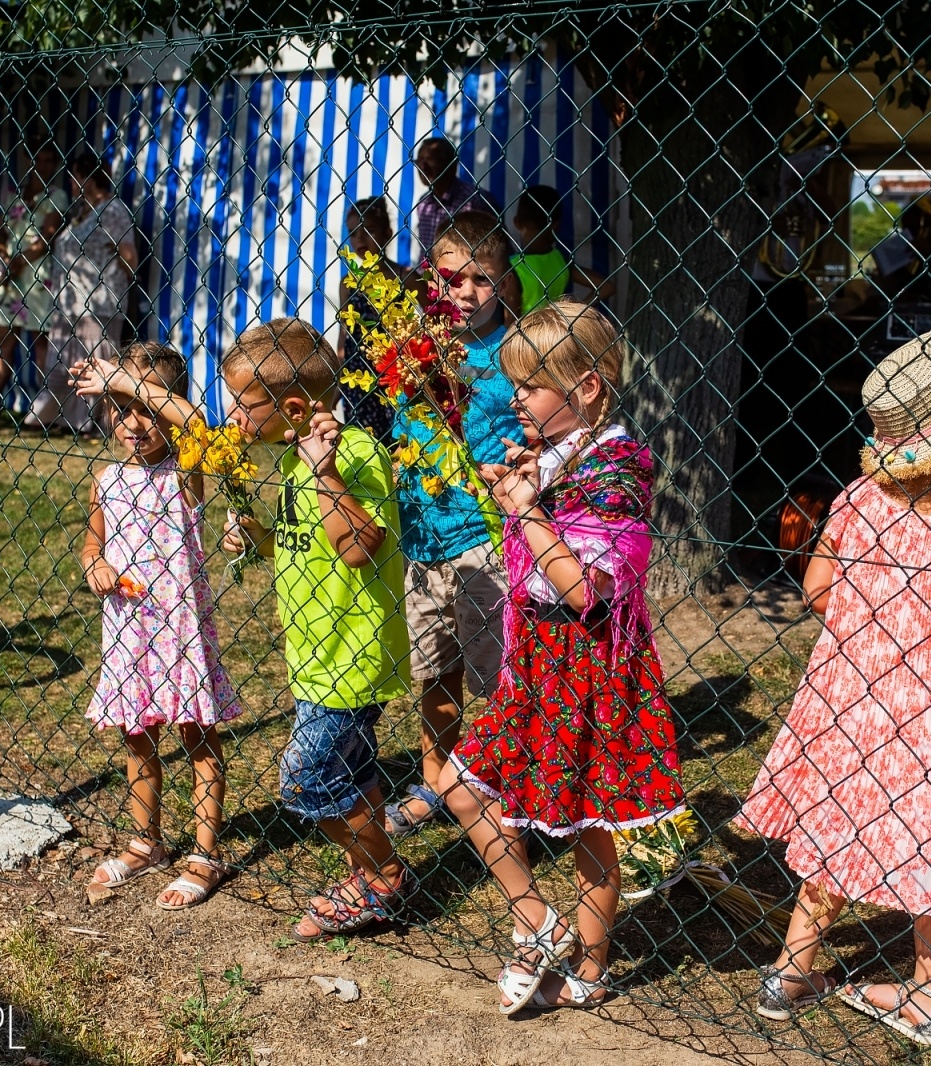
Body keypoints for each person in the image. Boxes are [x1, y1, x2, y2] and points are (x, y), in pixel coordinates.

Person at [736, 331, 931, 1046]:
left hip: (849, 696)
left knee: (835, 823)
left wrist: (864, 620)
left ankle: (789, 972)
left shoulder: (858, 500)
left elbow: (816, 588)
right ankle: (927, 994)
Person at [439, 299, 686, 1014]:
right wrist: (529, 488)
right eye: (513, 383)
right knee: (464, 783)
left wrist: (530, 511)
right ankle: (538, 922)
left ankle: (592, 966)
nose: (514, 397)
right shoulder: (556, 458)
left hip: (590, 661)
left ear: (585, 389)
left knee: (588, 821)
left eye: (530, 384)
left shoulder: (618, 468)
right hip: (539, 656)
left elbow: (588, 593)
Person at [216, 319, 414, 941]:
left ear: (295, 407)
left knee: (309, 776)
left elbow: (358, 546)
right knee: (352, 770)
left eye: (242, 410)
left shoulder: (351, 454)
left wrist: (327, 472)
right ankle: (369, 874)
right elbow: (310, 541)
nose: (234, 423)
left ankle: (385, 876)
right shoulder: (300, 463)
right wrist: (259, 537)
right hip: (314, 651)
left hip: (351, 652)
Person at [68, 342, 243, 911]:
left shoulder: (183, 471)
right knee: (137, 737)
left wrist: (122, 377)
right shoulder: (107, 479)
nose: (132, 423)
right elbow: (93, 537)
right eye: (119, 409)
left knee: (198, 737)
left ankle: (205, 852)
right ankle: (147, 841)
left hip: (181, 631)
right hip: (128, 631)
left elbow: (193, 421)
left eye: (143, 407)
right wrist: (94, 561)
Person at [382, 212, 524, 838]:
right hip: (422, 535)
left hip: (483, 539)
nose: (464, 293)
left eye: (480, 280)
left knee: (497, 678)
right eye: (451, 278)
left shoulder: (516, 354)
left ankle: (506, 786)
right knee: (435, 674)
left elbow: (534, 435)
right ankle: (436, 779)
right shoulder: (412, 344)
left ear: (503, 281)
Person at [27, 154, 138, 437]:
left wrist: (115, 287)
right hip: (68, 303)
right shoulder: (81, 212)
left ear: (88, 178)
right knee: (65, 361)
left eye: (76, 176)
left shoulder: (113, 210)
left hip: (98, 302)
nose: (73, 183)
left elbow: (129, 257)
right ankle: (64, 418)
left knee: (94, 360)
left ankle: (95, 421)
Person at [0, 143, 66, 429]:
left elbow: (47, 236)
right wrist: (3, 253)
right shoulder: (14, 196)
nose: (45, 165)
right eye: (40, 159)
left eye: (50, 160)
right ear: (30, 160)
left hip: (37, 279)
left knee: (41, 347)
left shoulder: (56, 196)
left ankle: (49, 410)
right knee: (5, 344)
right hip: (12, 280)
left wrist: (19, 261)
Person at [338, 195, 408, 441]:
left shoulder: (403, 276)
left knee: (399, 439)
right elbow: (343, 339)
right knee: (365, 441)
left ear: (387, 233)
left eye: (368, 229)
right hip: (358, 378)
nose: (360, 238)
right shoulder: (348, 284)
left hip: (395, 372)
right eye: (352, 232)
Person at [508, 185, 614, 317]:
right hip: (556, 333)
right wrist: (572, 315)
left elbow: (510, 325)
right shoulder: (560, 261)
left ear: (516, 222)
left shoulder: (512, 268)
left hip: (525, 334)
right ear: (556, 226)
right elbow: (606, 286)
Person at [413, 137, 499, 255]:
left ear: (451, 165)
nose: (423, 167)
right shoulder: (423, 203)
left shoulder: (475, 199)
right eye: (420, 161)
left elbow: (495, 249)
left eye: (430, 160)